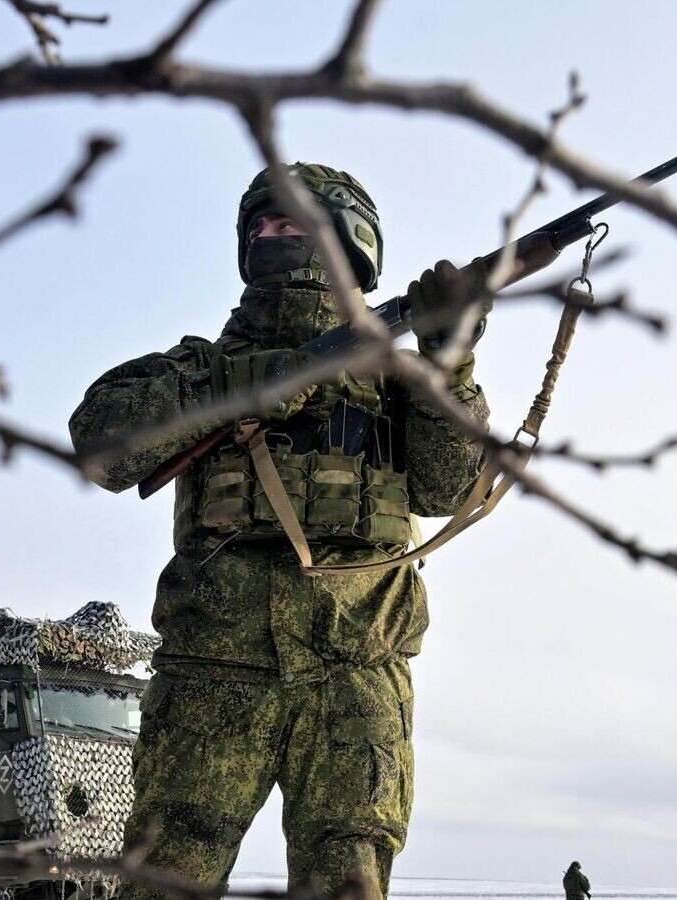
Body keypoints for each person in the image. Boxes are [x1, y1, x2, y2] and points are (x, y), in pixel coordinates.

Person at [68, 163, 491, 899]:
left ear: (350, 244)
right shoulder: (201, 366)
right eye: (260, 227)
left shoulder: (399, 378)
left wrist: (449, 367)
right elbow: (101, 444)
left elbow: (447, 486)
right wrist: (244, 383)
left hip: (357, 667)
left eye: (290, 223)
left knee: (347, 878)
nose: (271, 236)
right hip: (212, 669)